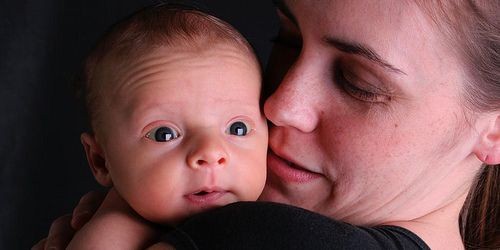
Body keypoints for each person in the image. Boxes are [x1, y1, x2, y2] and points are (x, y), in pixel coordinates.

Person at [35, 0, 500, 249]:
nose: (278, 105)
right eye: (287, 39)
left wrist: (117, 215)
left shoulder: (260, 235)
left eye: (358, 82)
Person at [59, 4, 268, 249]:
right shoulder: (109, 240)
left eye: (238, 128)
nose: (211, 153)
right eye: (164, 134)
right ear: (101, 160)